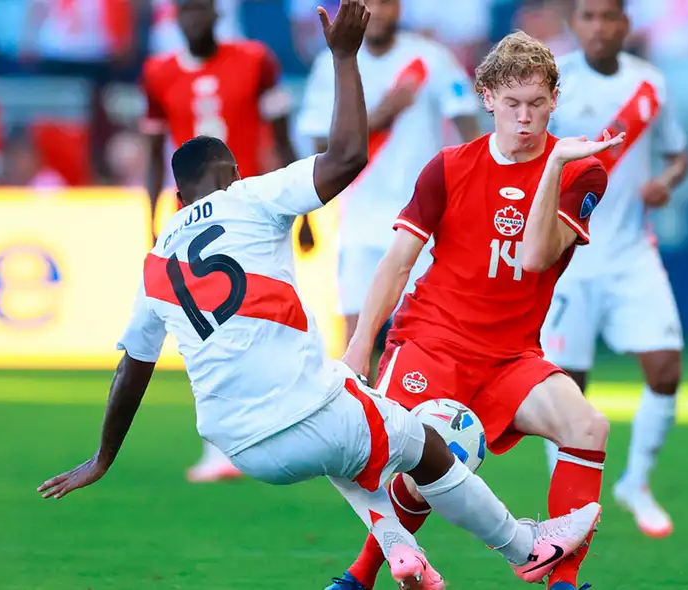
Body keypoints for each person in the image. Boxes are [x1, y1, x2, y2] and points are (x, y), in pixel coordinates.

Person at [37, 6, 599, 589]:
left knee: (355, 432)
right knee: (416, 444)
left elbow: (133, 366)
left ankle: (394, 556)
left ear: (179, 196)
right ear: (233, 171)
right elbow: (346, 157)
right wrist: (343, 57)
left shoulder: (157, 257)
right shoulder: (251, 196)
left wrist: (102, 457)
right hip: (310, 400)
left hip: (236, 444)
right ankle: (523, 543)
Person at [327, 31, 624, 590]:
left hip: (512, 356)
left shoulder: (582, 171)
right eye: (512, 104)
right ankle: (361, 576)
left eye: (537, 104)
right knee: (413, 468)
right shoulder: (447, 167)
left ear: (555, 100)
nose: (525, 118)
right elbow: (396, 264)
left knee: (588, 426)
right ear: (487, 96)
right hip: (432, 342)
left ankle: (561, 582)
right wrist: (359, 344)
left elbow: (536, 256)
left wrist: (553, 165)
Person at [540, 0, 688, 540]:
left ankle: (636, 481)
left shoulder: (650, 83)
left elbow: (678, 153)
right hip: (569, 258)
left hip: (632, 254)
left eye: (609, 16)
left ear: (626, 23)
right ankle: (566, 513)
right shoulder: (552, 80)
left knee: (666, 370)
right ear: (573, 23)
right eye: (588, 16)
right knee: (566, 393)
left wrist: (666, 183)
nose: (599, 27)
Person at [140, 0, 307, 482]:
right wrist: (148, 217)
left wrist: (305, 213)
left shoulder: (255, 60)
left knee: (271, 321)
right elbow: (154, 152)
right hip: (189, 223)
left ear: (216, 14)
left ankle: (284, 428)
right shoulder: (157, 73)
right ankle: (218, 448)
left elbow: (281, 134)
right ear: (175, 20)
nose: (193, 18)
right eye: (185, 11)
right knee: (204, 334)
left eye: (201, 9)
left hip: (254, 210)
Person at [297, 0, 482, 353]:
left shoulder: (432, 58)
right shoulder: (332, 63)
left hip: (421, 223)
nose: (378, 12)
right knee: (356, 339)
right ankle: (359, 409)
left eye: (386, 3)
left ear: (399, 8)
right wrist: (380, 114)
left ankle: (416, 409)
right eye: (370, 4)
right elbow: (321, 143)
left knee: (422, 338)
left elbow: (469, 130)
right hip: (358, 219)